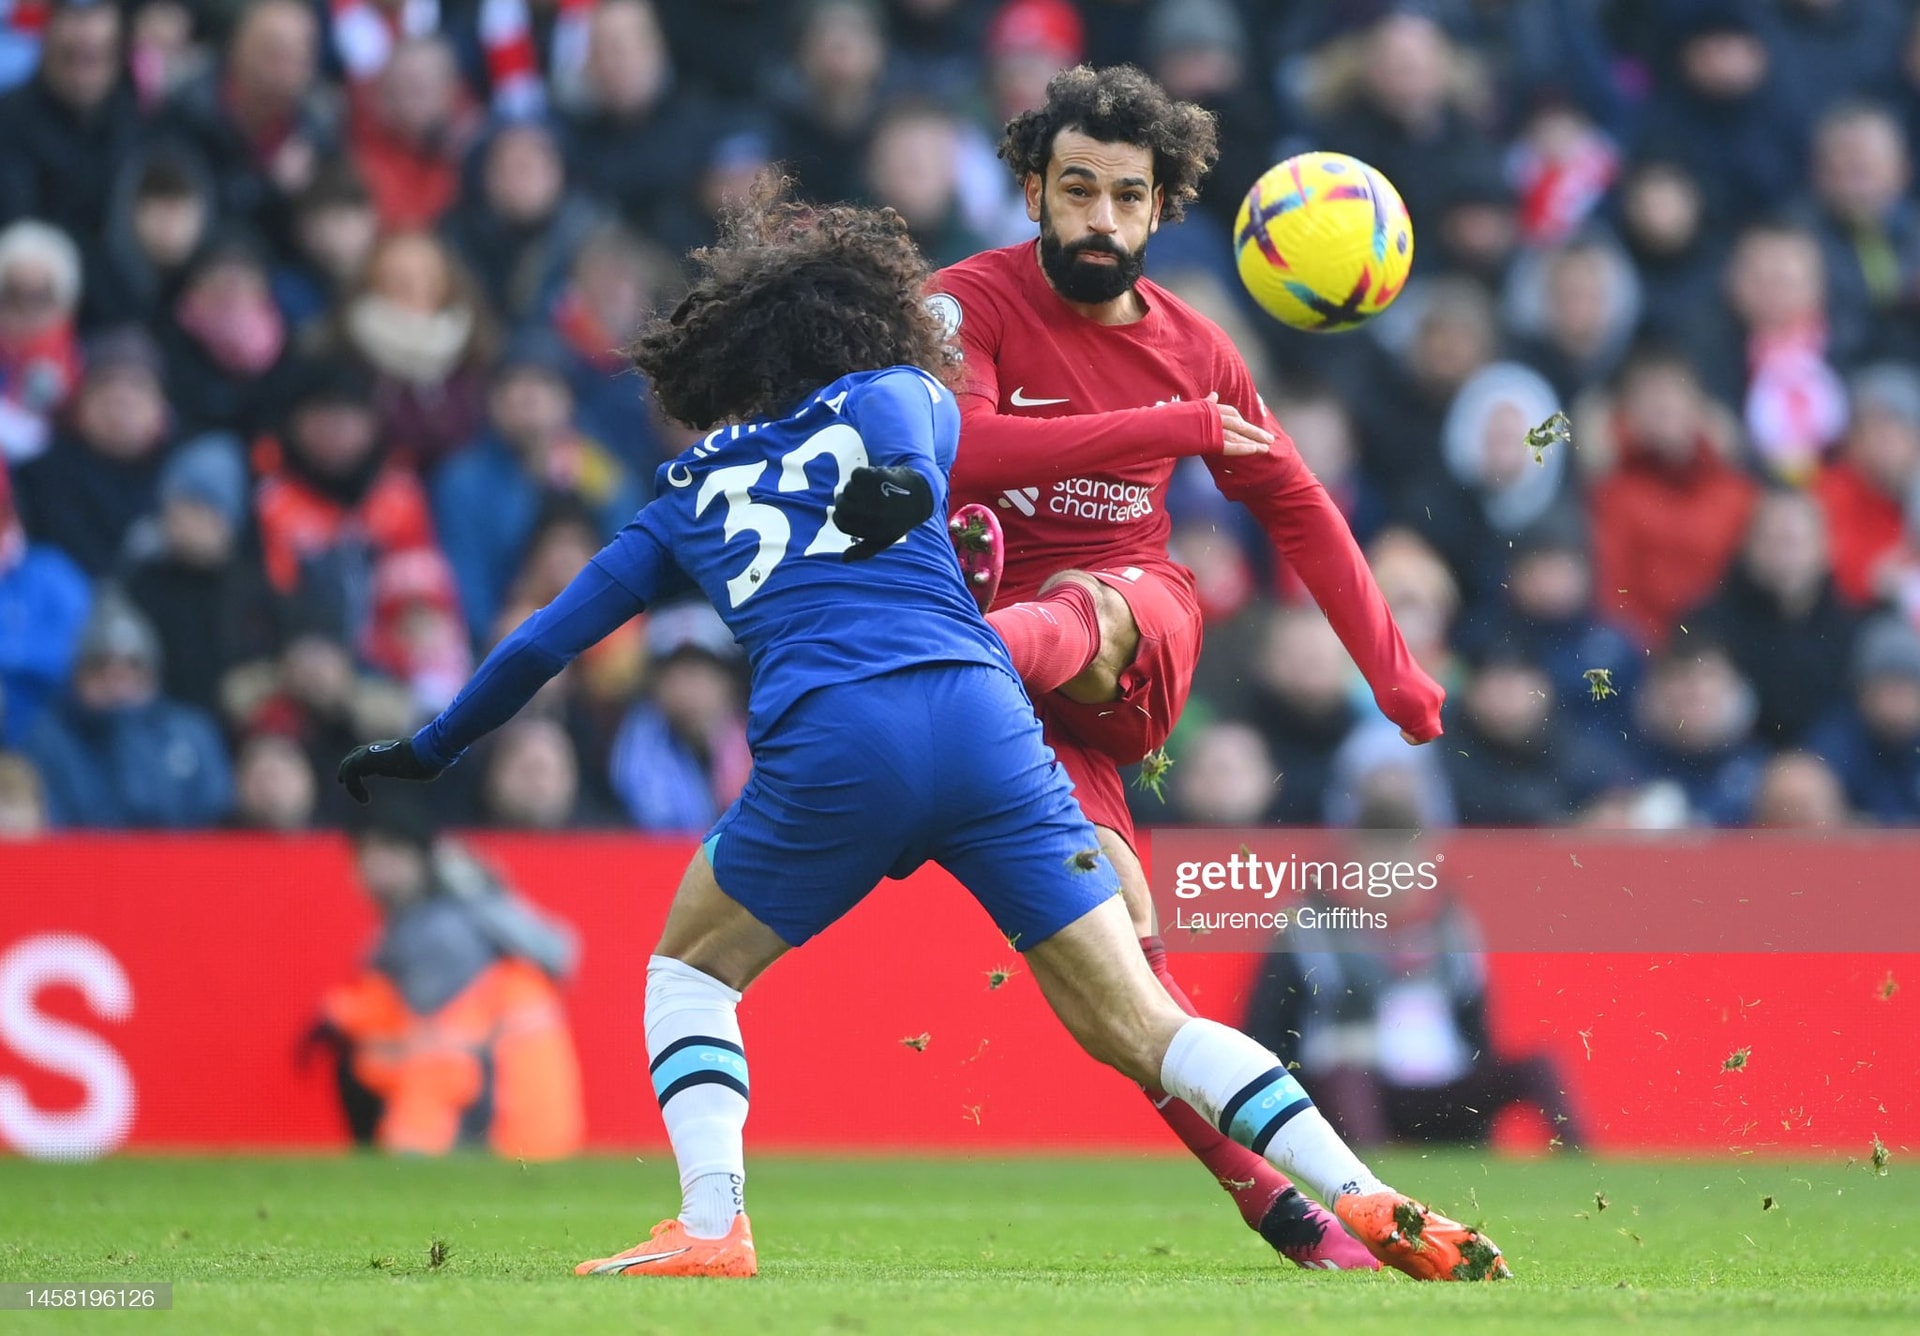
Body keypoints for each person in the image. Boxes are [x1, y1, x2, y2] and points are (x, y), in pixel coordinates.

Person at [337, 177, 1507, 1284]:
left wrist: (433, 743)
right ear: (860, 319)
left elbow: (547, 638)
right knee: (1146, 1020)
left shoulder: (685, 494)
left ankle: (711, 1221)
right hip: (988, 716)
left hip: (833, 735)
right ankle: (1356, 1190)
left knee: (687, 969)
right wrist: (940, 478)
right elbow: (926, 446)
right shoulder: (892, 390)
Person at [930, 64, 1442, 1269]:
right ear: (1030, 191)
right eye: (1076, 192)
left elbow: (1299, 504)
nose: (1098, 221)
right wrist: (1173, 429)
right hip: (1030, 720)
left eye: (1125, 197)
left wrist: (1394, 672)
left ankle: (959, 653)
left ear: (1160, 210)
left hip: (1133, 631)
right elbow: (968, 445)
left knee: (1080, 599)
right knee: (1121, 984)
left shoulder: (1199, 350)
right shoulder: (965, 305)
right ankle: (1289, 1211)